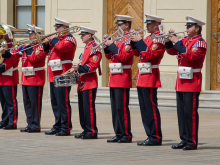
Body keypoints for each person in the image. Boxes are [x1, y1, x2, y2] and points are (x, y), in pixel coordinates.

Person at [165, 16, 207, 150]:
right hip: (181, 81)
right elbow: (172, 51)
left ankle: (192, 141)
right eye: (187, 26)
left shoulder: (199, 43)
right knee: (181, 113)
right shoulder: (185, 40)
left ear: (197, 28)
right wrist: (168, 41)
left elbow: (189, 56)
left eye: (189, 26)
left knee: (190, 113)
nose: (187, 29)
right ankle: (184, 139)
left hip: (192, 81)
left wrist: (177, 42)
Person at [130, 14, 165, 146]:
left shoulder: (159, 39)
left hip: (150, 76)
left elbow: (149, 55)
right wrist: (134, 42)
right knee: (144, 109)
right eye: (147, 23)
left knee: (150, 108)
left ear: (157, 25)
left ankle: (155, 136)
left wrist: (139, 41)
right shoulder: (149, 38)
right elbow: (137, 54)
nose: (147, 26)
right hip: (142, 76)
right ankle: (150, 135)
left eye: (150, 24)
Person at [43, 18, 77, 136]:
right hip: (54, 74)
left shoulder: (69, 39)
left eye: (58, 27)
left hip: (64, 73)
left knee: (63, 102)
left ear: (65, 28)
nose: (56, 29)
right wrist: (46, 43)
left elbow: (61, 47)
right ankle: (57, 125)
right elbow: (47, 53)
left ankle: (66, 127)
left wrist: (53, 40)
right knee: (55, 102)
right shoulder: (57, 40)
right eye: (55, 27)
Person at [103, 15, 134, 143]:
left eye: (120, 24)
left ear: (127, 25)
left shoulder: (129, 40)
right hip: (114, 77)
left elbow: (123, 57)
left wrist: (112, 45)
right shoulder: (119, 39)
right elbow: (110, 57)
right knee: (115, 108)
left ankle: (126, 134)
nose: (117, 27)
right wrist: (106, 45)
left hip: (122, 77)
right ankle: (118, 133)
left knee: (122, 108)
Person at [70, 26, 102, 139]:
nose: (81, 37)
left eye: (83, 35)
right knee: (82, 108)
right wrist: (77, 67)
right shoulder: (87, 47)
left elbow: (93, 65)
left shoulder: (95, 47)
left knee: (88, 108)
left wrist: (79, 68)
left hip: (89, 81)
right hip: (83, 82)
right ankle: (85, 129)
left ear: (89, 36)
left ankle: (92, 131)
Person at [19, 24, 46, 133]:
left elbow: (34, 58)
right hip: (26, 78)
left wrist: (27, 48)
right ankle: (30, 124)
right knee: (27, 103)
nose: (29, 37)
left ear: (37, 35)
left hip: (35, 79)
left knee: (35, 104)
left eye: (31, 35)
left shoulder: (40, 47)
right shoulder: (27, 47)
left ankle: (36, 125)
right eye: (29, 35)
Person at [0, 25, 19, 130]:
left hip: (9, 76)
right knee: (3, 102)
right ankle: (5, 120)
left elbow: (15, 58)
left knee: (10, 102)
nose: (3, 34)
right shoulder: (2, 43)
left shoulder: (14, 44)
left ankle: (12, 122)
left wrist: (3, 67)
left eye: (5, 32)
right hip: (2, 77)